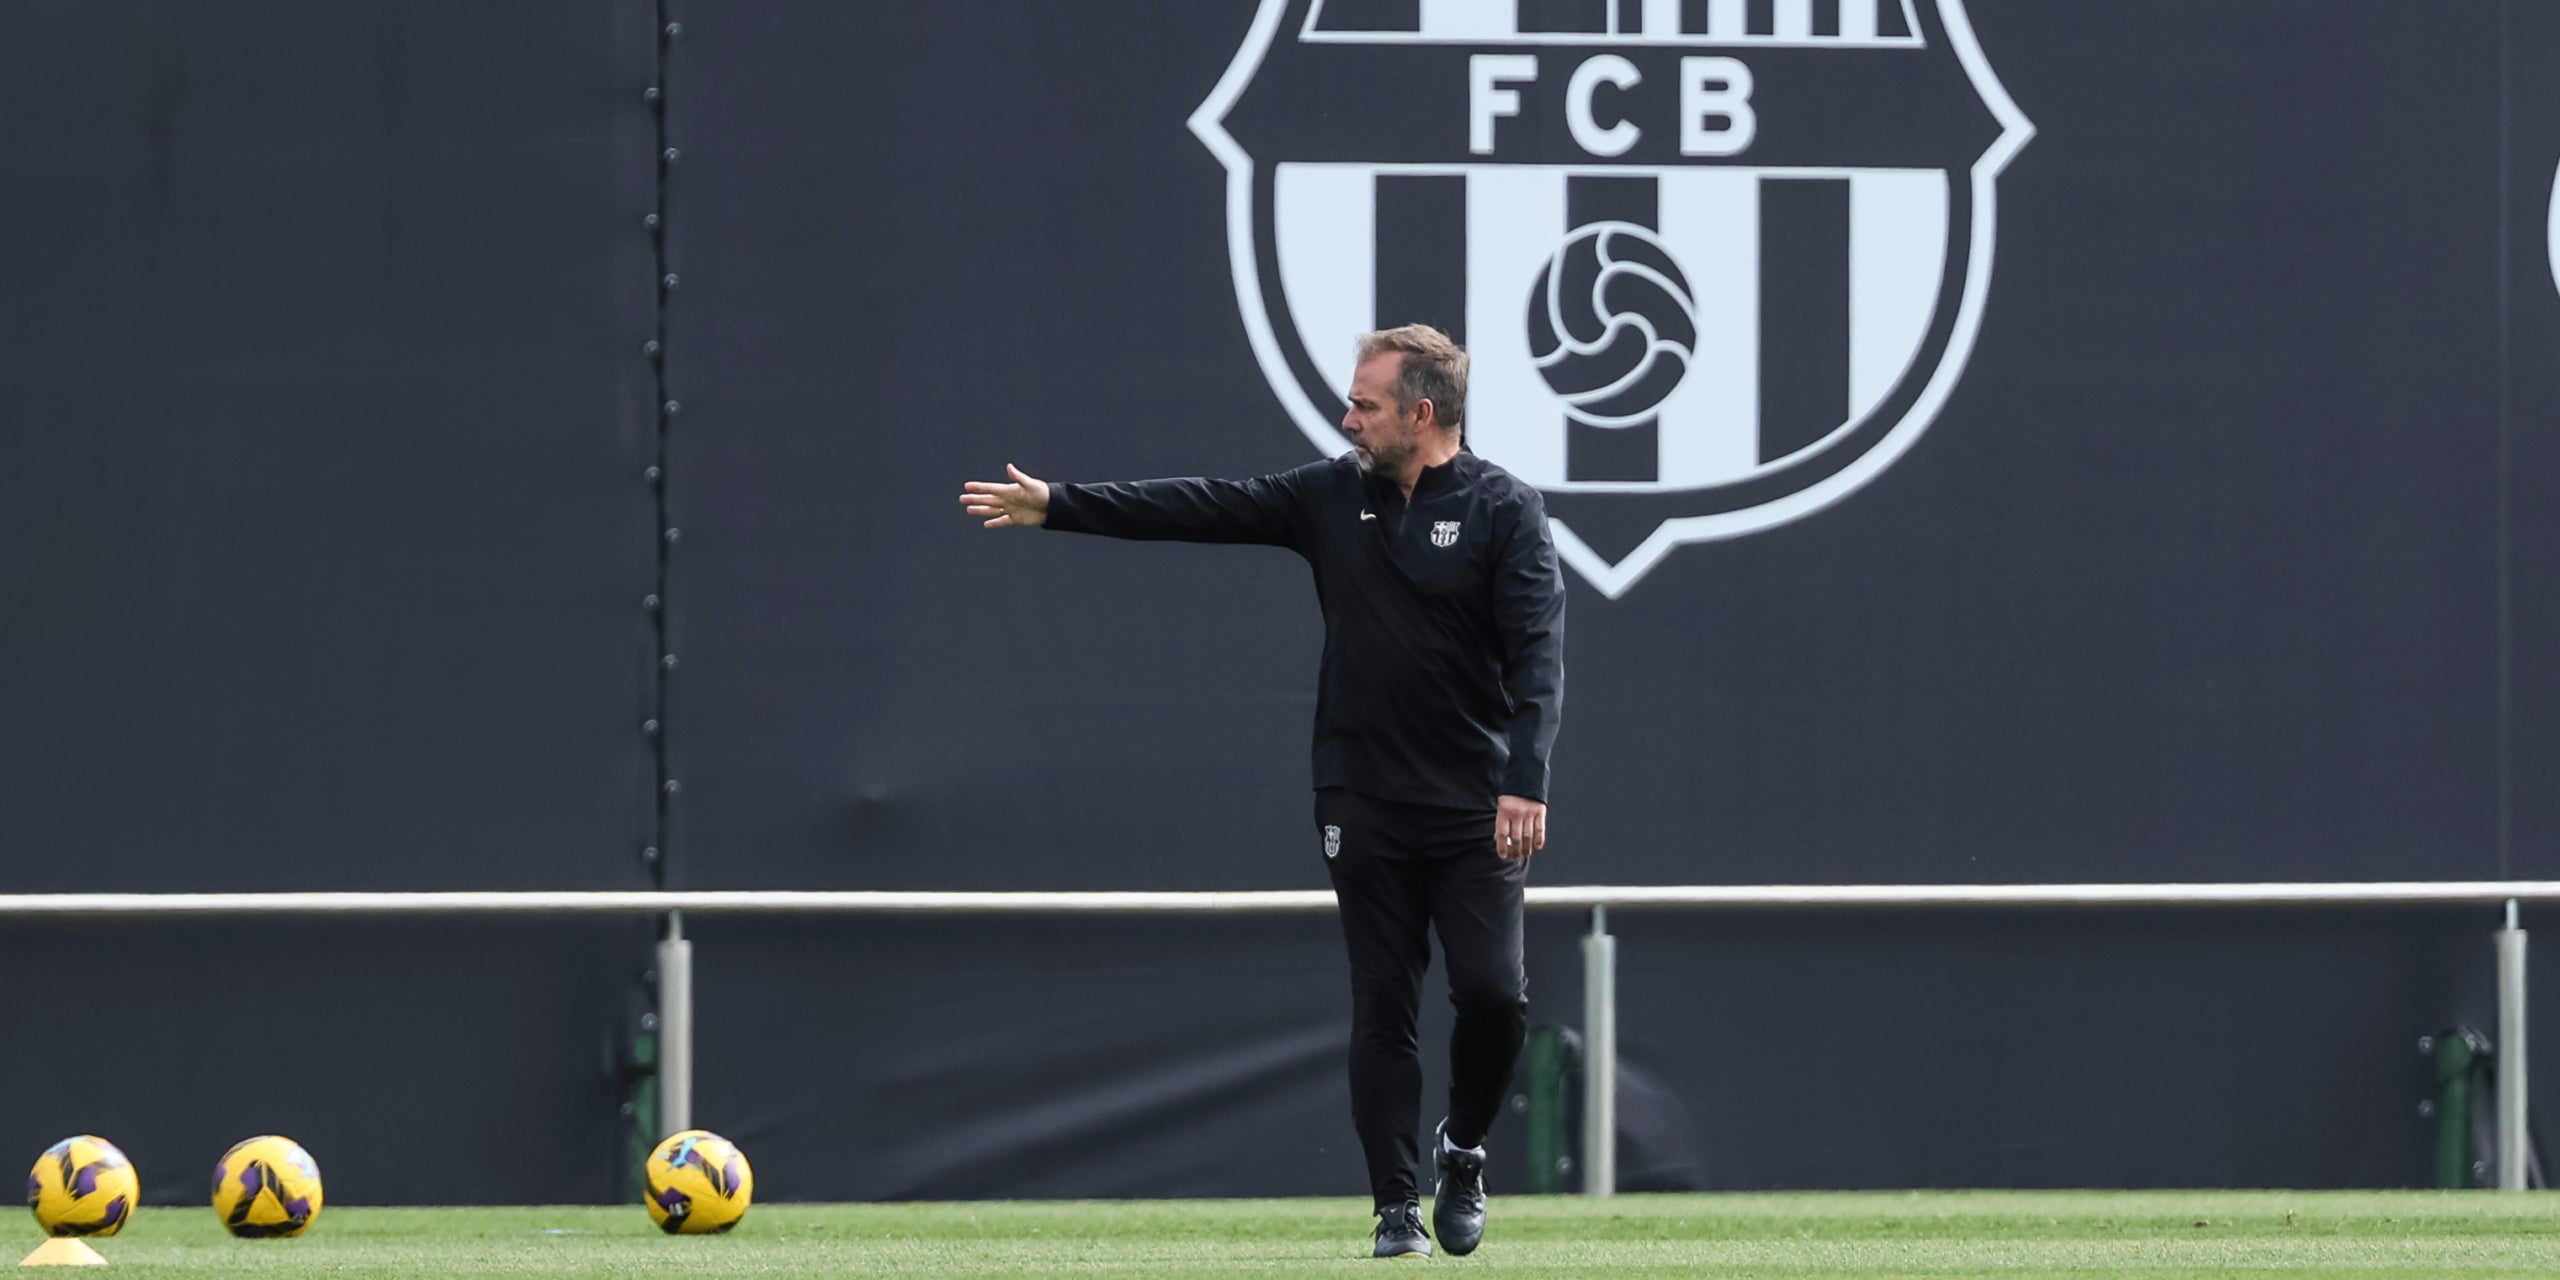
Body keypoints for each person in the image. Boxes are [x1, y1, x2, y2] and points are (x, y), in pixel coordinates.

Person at [957, 324, 1565, 1258]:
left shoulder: (1504, 510)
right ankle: (1395, 1207)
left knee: (1492, 998)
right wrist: (1059, 505)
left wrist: (1525, 784)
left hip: (1474, 805)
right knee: (1383, 1001)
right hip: (1358, 796)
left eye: (1365, 404)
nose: (1347, 417)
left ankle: (1465, 1149)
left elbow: (1538, 658)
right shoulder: (1328, 496)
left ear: (1422, 412)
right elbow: (1203, 505)